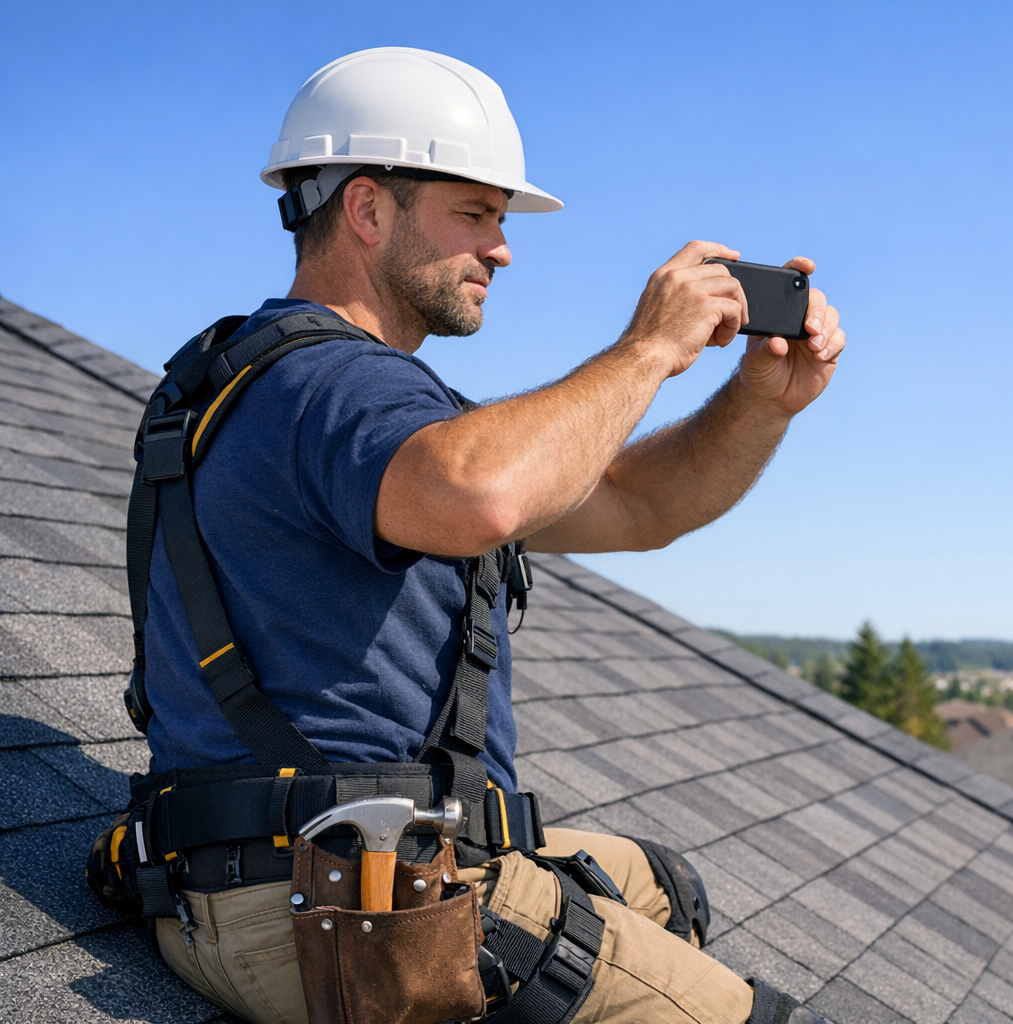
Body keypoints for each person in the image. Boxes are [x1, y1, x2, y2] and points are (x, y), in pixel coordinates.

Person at [122, 47, 843, 1024]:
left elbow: (636, 504)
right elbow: (478, 495)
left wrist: (761, 401)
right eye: (474, 212)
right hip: (352, 918)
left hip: (233, 885)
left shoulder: (289, 393)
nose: (502, 247)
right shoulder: (337, 387)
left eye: (501, 218)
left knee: (661, 879)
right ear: (368, 209)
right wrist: (649, 349)